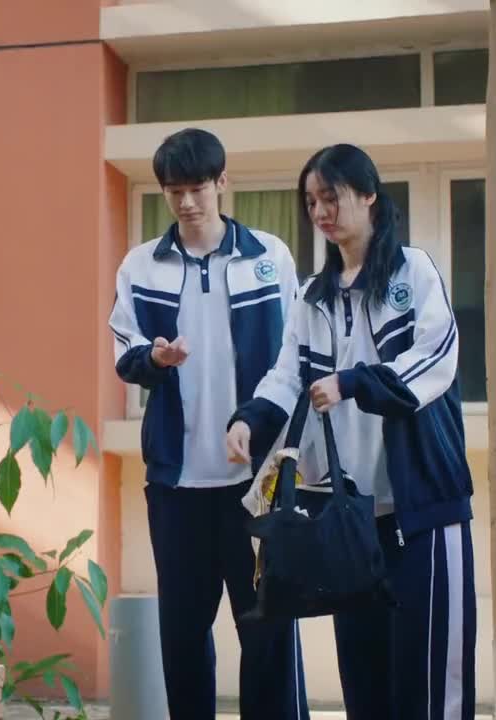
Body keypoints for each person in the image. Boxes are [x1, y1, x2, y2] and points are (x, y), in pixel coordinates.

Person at [226, 143, 477, 719]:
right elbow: (287, 375)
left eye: (331, 197)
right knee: (365, 681)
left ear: (368, 196)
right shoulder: (311, 296)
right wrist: (249, 418)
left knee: (433, 681)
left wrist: (352, 382)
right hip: (350, 522)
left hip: (423, 509)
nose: (320, 211)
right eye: (311, 201)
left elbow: (435, 357)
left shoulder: (413, 271)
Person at [108, 128, 309, 719]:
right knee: (183, 637)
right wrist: (155, 359)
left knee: (267, 633)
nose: (187, 202)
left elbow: (294, 359)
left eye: (197, 188)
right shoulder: (141, 265)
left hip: (257, 481)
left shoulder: (269, 257)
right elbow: (125, 353)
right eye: (174, 191)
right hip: (177, 484)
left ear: (223, 182)